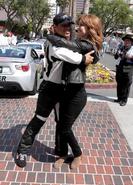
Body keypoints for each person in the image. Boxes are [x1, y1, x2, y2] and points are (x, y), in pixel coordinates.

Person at [15, 13, 94, 168]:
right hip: (49, 88)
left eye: (69, 25)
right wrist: (83, 59)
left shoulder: (69, 41)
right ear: (55, 27)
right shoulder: (53, 43)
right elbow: (62, 54)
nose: (67, 28)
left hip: (64, 89)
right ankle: (22, 151)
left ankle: (60, 152)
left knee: (61, 123)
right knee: (39, 120)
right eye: (63, 25)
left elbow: (86, 48)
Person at [47, 14, 103, 169]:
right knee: (60, 125)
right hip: (65, 90)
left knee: (65, 127)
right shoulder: (77, 41)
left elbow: (65, 44)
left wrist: (50, 35)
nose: (78, 27)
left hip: (77, 94)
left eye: (82, 26)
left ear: (91, 29)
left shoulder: (88, 45)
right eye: (78, 25)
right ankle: (62, 153)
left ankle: (77, 154)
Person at [114, 34, 133, 106]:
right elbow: (115, 57)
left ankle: (124, 100)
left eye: (128, 41)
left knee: (126, 83)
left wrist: (130, 57)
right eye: (125, 41)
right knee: (119, 82)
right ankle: (119, 98)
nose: (126, 42)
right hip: (119, 66)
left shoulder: (132, 49)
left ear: (131, 42)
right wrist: (117, 53)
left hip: (128, 67)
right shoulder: (121, 47)